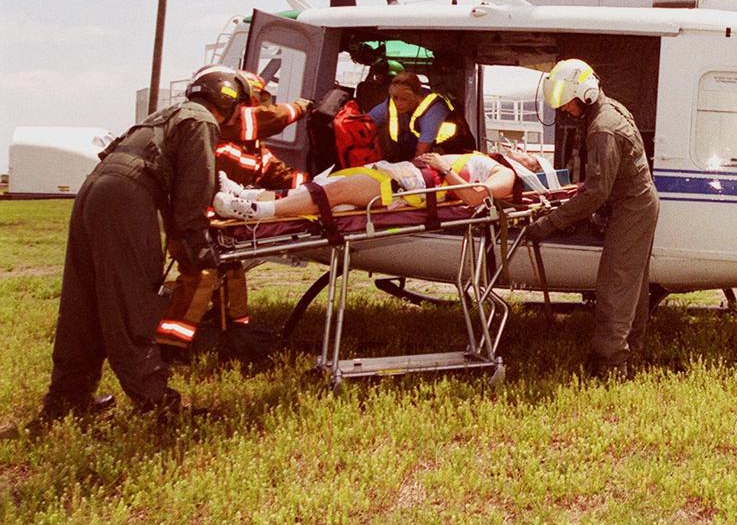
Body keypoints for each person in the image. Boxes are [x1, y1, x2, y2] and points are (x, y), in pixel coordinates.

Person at [23, 66, 249, 433]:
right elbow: (193, 201)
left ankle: (67, 399)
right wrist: (201, 255)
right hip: (127, 197)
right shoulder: (201, 121)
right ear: (229, 100)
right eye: (241, 107)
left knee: (83, 303)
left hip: (95, 191)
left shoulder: (165, 115)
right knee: (131, 302)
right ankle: (157, 404)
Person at [154, 70, 311, 353]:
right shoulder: (223, 125)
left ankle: (234, 335)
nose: (261, 106)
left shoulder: (252, 145)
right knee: (200, 277)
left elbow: (275, 172)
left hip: (222, 224)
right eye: (257, 100)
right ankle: (169, 345)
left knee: (232, 274)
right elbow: (263, 120)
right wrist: (300, 107)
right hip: (195, 220)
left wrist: (317, 187)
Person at [525, 59, 660, 378]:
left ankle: (611, 363)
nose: (566, 111)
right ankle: (632, 349)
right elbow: (607, 180)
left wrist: (549, 223)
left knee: (615, 285)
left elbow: (597, 193)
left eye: (568, 104)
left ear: (583, 95)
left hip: (632, 208)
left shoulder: (602, 129)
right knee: (632, 285)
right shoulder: (610, 109)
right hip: (636, 204)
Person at [211, 149, 530, 219]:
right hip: (401, 175)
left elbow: (475, 198)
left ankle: (257, 211)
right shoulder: (489, 160)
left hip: (410, 186)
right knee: (326, 186)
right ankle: (248, 194)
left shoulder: (508, 175)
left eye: (526, 154)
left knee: (332, 191)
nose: (521, 151)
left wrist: (445, 168)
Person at [369, 71, 475, 160]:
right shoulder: (393, 102)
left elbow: (421, 154)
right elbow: (366, 122)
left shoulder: (434, 110)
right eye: (395, 97)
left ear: (416, 96)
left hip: (452, 154)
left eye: (404, 99)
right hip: (414, 151)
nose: (397, 103)